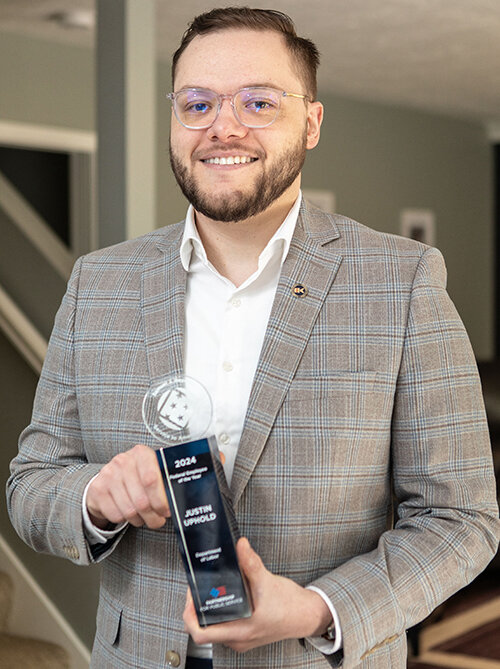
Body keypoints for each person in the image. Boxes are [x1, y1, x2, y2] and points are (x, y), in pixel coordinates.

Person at [7, 7, 499, 669]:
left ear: (312, 122)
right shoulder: (99, 282)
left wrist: (315, 608)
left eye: (259, 101)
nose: (223, 126)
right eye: (197, 102)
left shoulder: (401, 281)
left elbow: (462, 518)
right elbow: (31, 484)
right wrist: (96, 497)